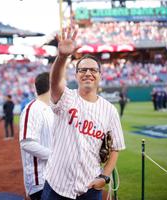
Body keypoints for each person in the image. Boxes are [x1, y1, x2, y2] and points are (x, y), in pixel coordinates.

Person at [41, 27, 125, 200]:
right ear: (77, 75)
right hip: (57, 186)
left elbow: (116, 147)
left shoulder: (109, 110)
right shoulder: (66, 98)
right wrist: (63, 57)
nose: (88, 73)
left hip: (90, 188)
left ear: (100, 76)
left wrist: (105, 176)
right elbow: (55, 82)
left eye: (93, 70)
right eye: (83, 70)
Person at [19, 72, 54, 200]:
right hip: (41, 181)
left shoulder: (52, 108)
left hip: (55, 178)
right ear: (52, 85)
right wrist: (56, 157)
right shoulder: (33, 109)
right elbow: (26, 143)